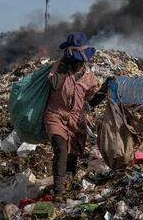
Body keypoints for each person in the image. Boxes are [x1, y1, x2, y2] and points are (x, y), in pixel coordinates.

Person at [43, 33, 108, 199]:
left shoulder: (89, 76)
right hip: (55, 114)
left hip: (76, 118)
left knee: (73, 153)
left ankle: (69, 183)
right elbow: (55, 85)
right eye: (76, 60)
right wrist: (64, 68)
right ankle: (58, 193)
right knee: (61, 149)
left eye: (81, 61)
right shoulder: (59, 67)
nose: (79, 64)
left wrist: (106, 88)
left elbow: (92, 101)